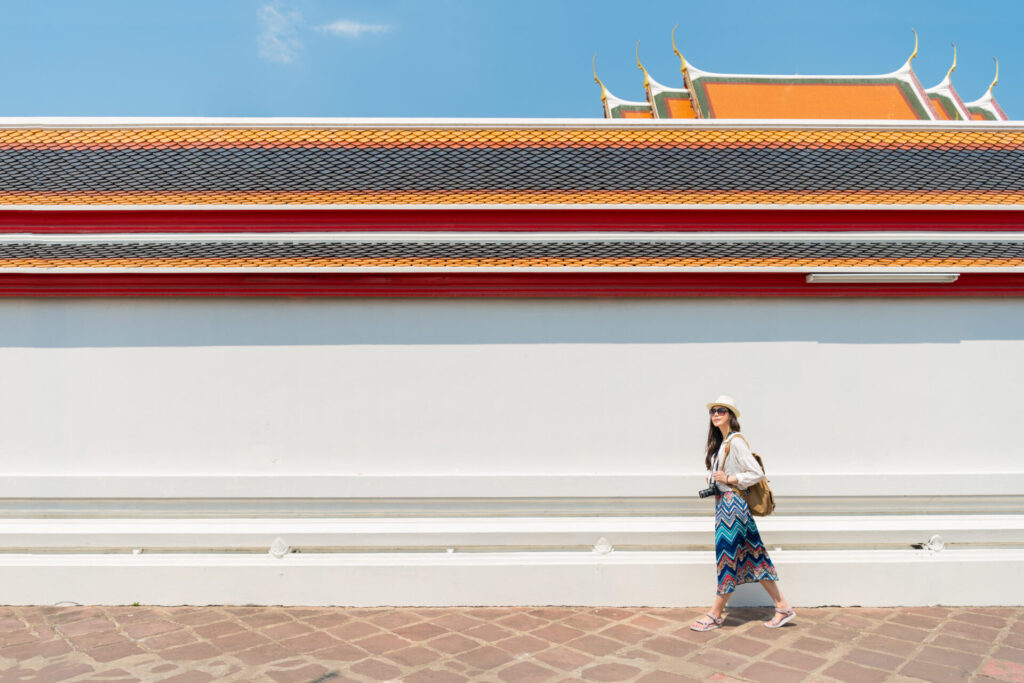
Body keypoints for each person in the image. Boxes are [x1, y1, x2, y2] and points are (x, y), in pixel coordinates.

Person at [690, 395, 795, 631]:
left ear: (731, 415)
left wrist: (730, 478)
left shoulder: (735, 441)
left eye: (721, 410)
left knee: (727, 558)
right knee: (754, 557)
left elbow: (756, 472)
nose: (716, 414)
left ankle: (715, 614)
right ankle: (783, 607)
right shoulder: (721, 444)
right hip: (725, 506)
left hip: (732, 508)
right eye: (713, 411)